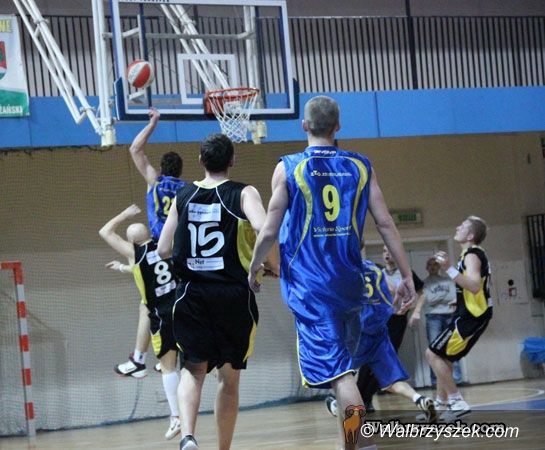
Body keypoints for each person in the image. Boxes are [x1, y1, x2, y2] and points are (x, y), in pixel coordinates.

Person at [247, 95, 416, 450]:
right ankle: (354, 444)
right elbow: (385, 222)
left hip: (312, 290)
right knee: (344, 372)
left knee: (342, 378)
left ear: (304, 125)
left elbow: (270, 229)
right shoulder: (360, 166)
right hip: (352, 285)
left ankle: (361, 443)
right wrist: (406, 275)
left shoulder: (289, 167)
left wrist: (254, 266)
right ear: (338, 126)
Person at [157, 133, 276, 450]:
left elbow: (163, 248)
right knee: (229, 378)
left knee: (192, 371)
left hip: (192, 295)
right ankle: (223, 448)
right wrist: (272, 264)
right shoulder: (243, 192)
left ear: (200, 160)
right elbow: (264, 228)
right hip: (233, 295)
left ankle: (187, 437)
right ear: (232, 159)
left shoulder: (183, 195)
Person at [99, 204, 181, 440]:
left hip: (162, 315)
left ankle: (176, 416)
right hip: (182, 308)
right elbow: (148, 269)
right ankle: (139, 360)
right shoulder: (166, 245)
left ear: (131, 242)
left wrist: (124, 214)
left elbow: (105, 232)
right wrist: (123, 268)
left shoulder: (135, 253)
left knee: (168, 368)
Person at [115, 108, 185, 378]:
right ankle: (173, 352)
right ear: (180, 171)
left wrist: (153, 122)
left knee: (148, 305)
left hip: (157, 249)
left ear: (162, 168)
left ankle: (141, 358)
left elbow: (135, 148)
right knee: (179, 300)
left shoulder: (154, 181)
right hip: (182, 253)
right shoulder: (187, 190)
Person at [325, 258, 437, 423]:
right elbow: (391, 290)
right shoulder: (375, 268)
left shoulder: (344, 266)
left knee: (343, 373)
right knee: (392, 380)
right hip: (379, 331)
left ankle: (342, 407)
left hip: (359, 331)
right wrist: (397, 301)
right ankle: (419, 398)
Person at [426, 216, 492, 421]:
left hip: (472, 316)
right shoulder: (470, 254)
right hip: (468, 312)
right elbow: (474, 287)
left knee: (432, 354)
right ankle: (440, 405)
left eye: (462, 226)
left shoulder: (472, 255)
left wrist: (448, 268)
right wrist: (460, 299)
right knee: (443, 357)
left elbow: (474, 285)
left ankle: (457, 400)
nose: (457, 227)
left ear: (470, 235)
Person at [356, 245, 424, 413]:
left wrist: (416, 311)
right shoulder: (377, 270)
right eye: (385, 251)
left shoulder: (406, 273)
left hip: (397, 320)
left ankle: (366, 398)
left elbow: (422, 292)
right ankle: (361, 399)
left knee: (385, 360)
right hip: (379, 320)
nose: (387, 254)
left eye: (390, 251)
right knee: (368, 361)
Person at [423, 256, 463, 386]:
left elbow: (453, 296)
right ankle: (436, 380)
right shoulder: (425, 283)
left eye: (435, 264)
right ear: (427, 268)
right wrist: (444, 295)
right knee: (434, 349)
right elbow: (429, 299)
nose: (432, 267)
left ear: (439, 267)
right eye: (430, 265)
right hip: (433, 317)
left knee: (452, 346)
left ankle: (457, 379)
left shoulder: (448, 280)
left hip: (449, 315)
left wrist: (437, 297)